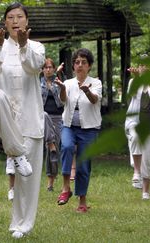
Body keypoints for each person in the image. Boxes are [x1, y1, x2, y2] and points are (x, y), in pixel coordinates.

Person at [0, 2, 45, 238]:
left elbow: (34, 67)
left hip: (31, 120)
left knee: (26, 182)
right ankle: (16, 153)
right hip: (7, 120)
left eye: (20, 16)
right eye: (10, 17)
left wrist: (23, 47)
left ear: (26, 21)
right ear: (5, 22)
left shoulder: (37, 47)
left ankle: (22, 225)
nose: (15, 21)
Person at [55, 48, 102, 213]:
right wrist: (61, 88)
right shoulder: (67, 83)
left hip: (89, 129)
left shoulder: (96, 83)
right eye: (77, 62)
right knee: (66, 147)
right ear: (73, 66)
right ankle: (65, 188)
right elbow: (63, 100)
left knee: (83, 165)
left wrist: (87, 91)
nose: (80, 65)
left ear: (89, 66)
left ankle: (82, 201)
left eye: (83, 62)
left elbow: (95, 100)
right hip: (68, 126)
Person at [125, 63, 150, 200]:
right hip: (135, 122)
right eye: (141, 65)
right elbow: (131, 95)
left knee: (149, 159)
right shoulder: (133, 81)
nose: (144, 68)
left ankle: (146, 190)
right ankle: (137, 172)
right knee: (135, 137)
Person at [41, 58, 65, 191]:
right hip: (43, 118)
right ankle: (49, 143)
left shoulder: (58, 82)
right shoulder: (38, 83)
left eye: (50, 67)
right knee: (51, 144)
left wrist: (60, 75)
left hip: (58, 118)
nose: (48, 69)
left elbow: (65, 95)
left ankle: (51, 182)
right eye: (46, 67)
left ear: (54, 69)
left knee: (54, 150)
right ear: (42, 70)